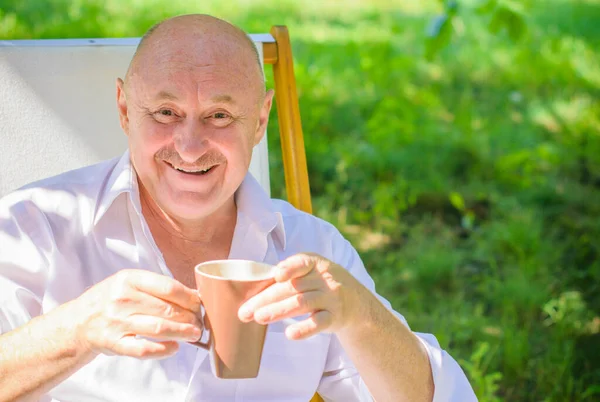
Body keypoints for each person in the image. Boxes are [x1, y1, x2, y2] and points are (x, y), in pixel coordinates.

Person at [0, 14, 476, 402]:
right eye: (165, 113)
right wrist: (78, 328)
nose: (189, 148)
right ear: (125, 110)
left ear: (261, 119)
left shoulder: (311, 249)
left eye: (220, 116)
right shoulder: (34, 228)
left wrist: (360, 315)